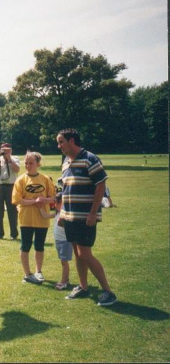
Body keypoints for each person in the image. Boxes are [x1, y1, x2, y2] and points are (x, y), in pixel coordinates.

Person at [56, 128, 117, 306]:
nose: (59, 146)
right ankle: (83, 287)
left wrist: (93, 212)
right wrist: (62, 214)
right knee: (77, 253)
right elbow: (66, 190)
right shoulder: (66, 162)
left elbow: (101, 186)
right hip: (70, 217)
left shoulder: (90, 159)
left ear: (72, 140)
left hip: (85, 217)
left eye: (61, 142)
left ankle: (108, 292)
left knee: (85, 253)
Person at [12, 151, 55, 284]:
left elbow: (54, 197)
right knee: (25, 246)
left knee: (39, 246)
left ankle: (39, 271)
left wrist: (44, 200)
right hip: (26, 219)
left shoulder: (45, 179)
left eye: (31, 163)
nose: (28, 165)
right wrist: (35, 201)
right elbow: (17, 200)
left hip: (42, 219)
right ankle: (27, 274)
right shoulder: (20, 180)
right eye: (26, 163)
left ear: (38, 163)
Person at [0, 143, 21, 239]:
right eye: (3, 150)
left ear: (11, 150)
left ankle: (14, 234)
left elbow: (17, 169)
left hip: (11, 187)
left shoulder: (15, 158)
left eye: (7, 150)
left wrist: (9, 159)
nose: (5, 152)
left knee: (12, 211)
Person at [41, 192, 72, 290]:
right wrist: (39, 207)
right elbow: (45, 215)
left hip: (65, 241)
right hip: (59, 241)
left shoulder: (66, 214)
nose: (56, 205)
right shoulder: (57, 213)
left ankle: (64, 282)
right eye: (56, 203)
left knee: (64, 262)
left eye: (59, 203)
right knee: (63, 261)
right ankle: (65, 279)